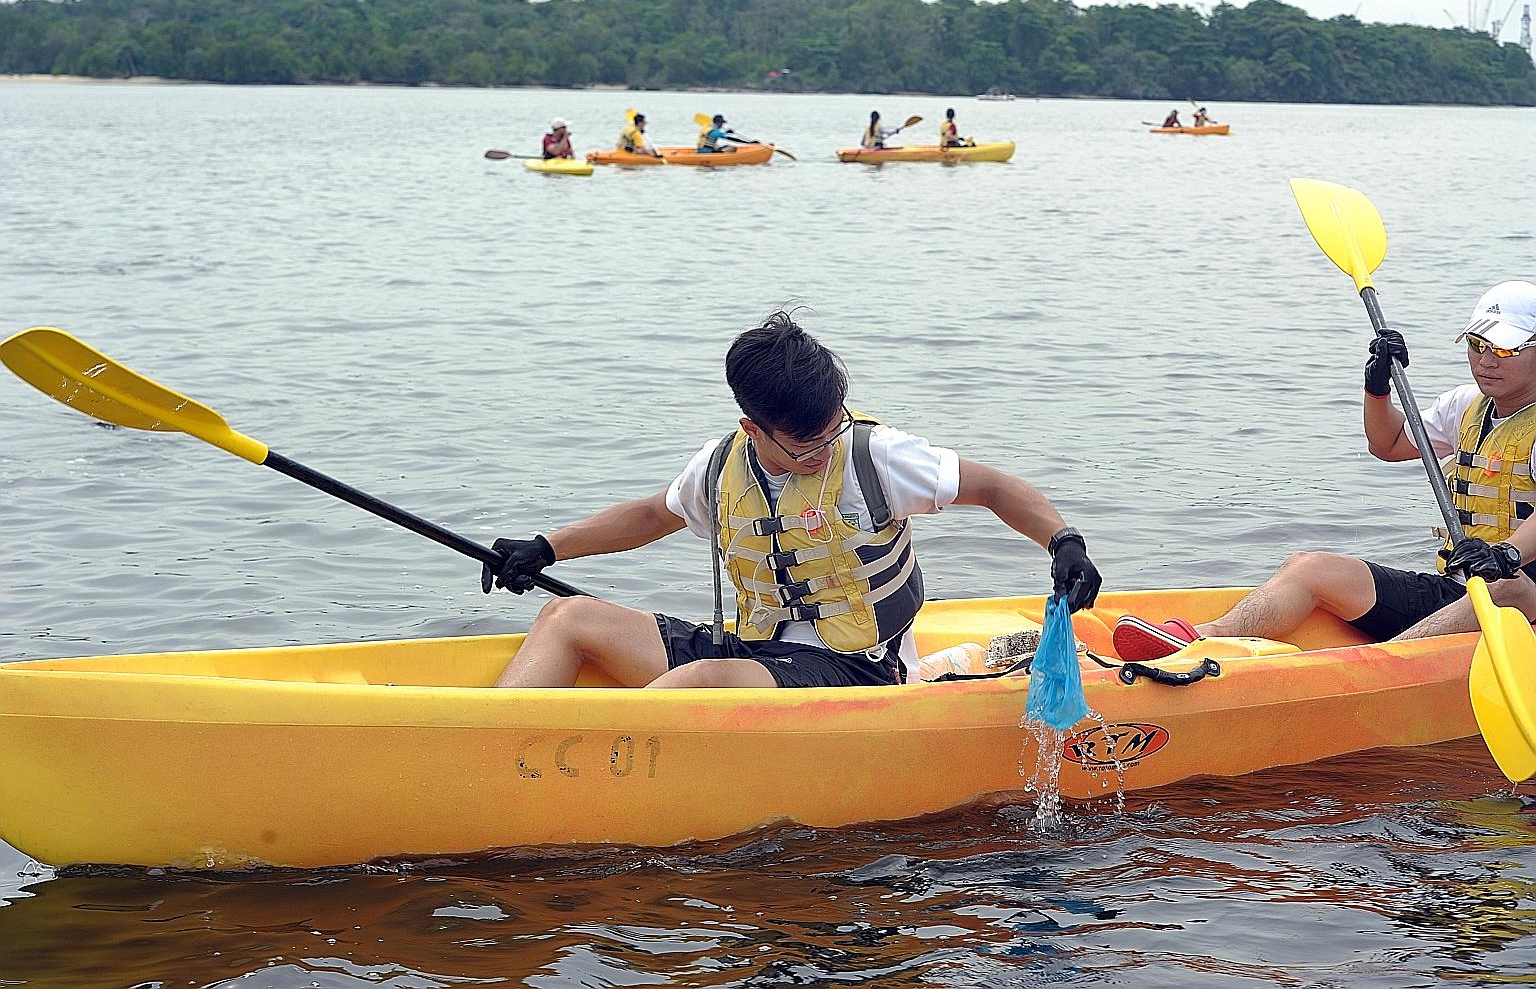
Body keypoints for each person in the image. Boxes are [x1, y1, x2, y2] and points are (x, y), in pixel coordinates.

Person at [482, 311, 1104, 690]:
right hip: (753, 652)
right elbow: (652, 514)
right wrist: (547, 548)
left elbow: (994, 487)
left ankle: (586, 764)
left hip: (856, 669)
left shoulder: (877, 455)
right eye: (806, 447)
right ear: (754, 429)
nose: (825, 452)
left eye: (832, 430)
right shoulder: (721, 463)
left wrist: (1063, 542)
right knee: (567, 618)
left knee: (701, 682)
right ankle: (494, 752)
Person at [1112, 281, 1536, 662]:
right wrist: (1377, 388)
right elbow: (1388, 444)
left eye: (1505, 350)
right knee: (1309, 565)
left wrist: (1508, 554)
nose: (1486, 361)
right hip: (1461, 588)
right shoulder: (1464, 406)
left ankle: (1385, 668)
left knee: (1507, 588)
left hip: (1522, 596)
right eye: (1478, 345)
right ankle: (1198, 640)